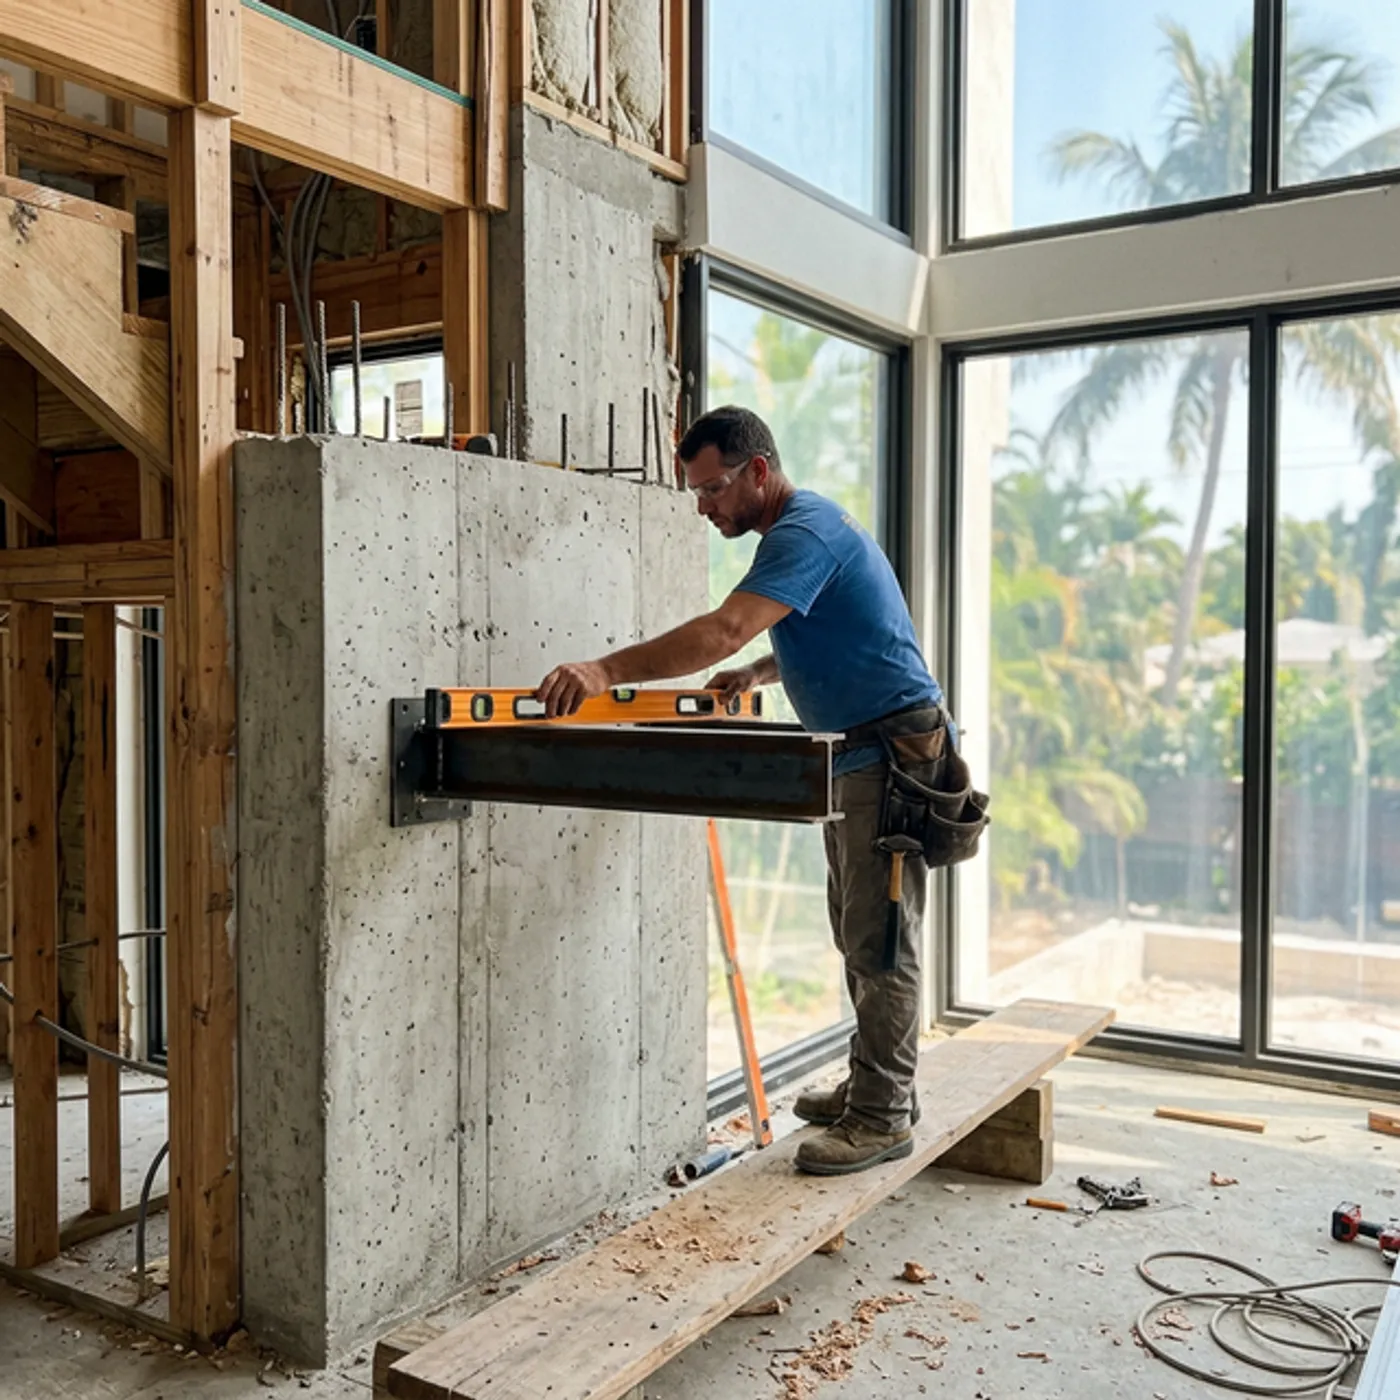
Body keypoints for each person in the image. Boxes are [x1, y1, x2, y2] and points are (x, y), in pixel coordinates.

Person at [536, 404, 951, 1175]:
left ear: (759, 471)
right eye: (696, 492)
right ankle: (876, 1081)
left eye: (714, 488)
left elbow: (726, 627)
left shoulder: (803, 532)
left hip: (892, 755)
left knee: (880, 936)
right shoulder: (799, 535)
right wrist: (763, 673)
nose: (704, 506)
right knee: (854, 926)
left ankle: (884, 1113)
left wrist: (604, 671)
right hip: (861, 753)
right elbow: (818, 628)